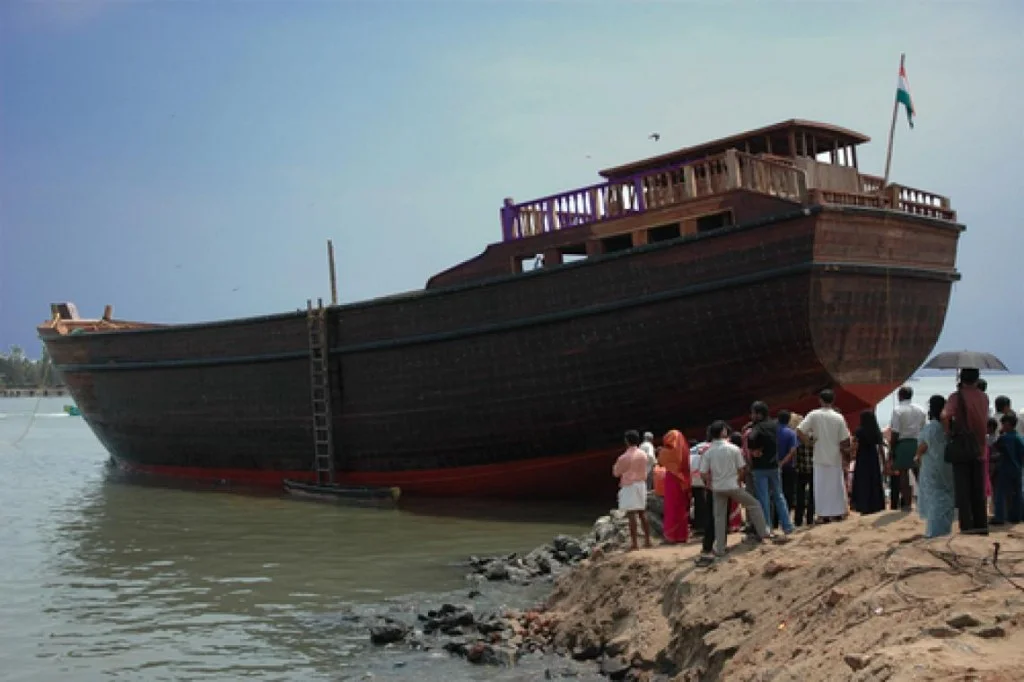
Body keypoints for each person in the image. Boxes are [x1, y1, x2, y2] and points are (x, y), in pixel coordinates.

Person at [699, 420, 771, 556]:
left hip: (717, 487)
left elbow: (703, 473)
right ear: (723, 432)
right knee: (754, 504)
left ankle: (720, 548)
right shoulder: (733, 448)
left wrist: (708, 484)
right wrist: (739, 480)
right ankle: (764, 533)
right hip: (732, 485)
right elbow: (742, 468)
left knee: (719, 517)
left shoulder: (708, 452)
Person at [942, 368, 990, 534]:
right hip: (980, 447)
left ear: (961, 379)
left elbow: (944, 415)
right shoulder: (984, 397)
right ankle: (981, 525)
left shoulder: (956, 397)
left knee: (963, 489)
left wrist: (949, 432)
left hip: (962, 447)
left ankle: (967, 526)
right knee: (979, 489)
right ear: (977, 379)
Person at [797, 389, 852, 522]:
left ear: (820, 400)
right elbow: (845, 440)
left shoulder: (814, 414)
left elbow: (799, 430)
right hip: (834, 456)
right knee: (835, 485)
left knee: (820, 487)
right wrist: (846, 455)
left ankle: (822, 514)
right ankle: (837, 512)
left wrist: (808, 442)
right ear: (833, 401)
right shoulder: (839, 417)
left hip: (819, 455)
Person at [746, 401, 795, 534]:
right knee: (779, 496)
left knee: (763, 498)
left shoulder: (757, 427)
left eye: (753, 413)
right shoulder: (775, 425)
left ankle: (767, 527)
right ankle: (787, 525)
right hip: (774, 465)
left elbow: (751, 437)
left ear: (758, 414)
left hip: (760, 467)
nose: (751, 415)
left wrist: (753, 449)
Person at [915, 395, 955, 537]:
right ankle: (944, 529)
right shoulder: (948, 426)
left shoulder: (931, 427)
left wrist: (917, 456)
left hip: (931, 465)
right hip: (946, 465)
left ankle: (934, 531)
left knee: (934, 498)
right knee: (946, 495)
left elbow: (923, 446)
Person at [889, 386, 927, 511]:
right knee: (919, 473)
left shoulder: (897, 410)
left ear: (900, 395)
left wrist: (892, 447)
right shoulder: (921, 409)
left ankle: (907, 504)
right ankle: (925, 501)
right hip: (917, 442)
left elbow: (895, 431)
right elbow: (923, 428)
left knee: (903, 474)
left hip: (903, 443)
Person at [613, 430, 652, 550]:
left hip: (630, 485)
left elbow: (616, 473)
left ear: (626, 441)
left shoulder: (624, 457)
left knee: (631, 514)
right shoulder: (643, 454)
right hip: (641, 484)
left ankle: (635, 544)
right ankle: (647, 540)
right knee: (642, 512)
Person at [658, 429, 691, 543]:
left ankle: (671, 535)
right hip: (683, 480)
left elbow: (661, 461)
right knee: (681, 507)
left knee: (671, 507)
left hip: (671, 479)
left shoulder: (664, 452)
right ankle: (682, 535)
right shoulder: (684, 450)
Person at [851, 410, 886, 515]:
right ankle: (876, 505)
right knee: (874, 480)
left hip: (862, 457)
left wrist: (850, 455)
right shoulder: (876, 431)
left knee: (862, 482)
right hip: (873, 457)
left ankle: (863, 505)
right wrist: (884, 462)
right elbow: (881, 447)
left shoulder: (859, 430)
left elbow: (855, 445)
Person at [991, 413, 1024, 525]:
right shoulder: (1020, 438)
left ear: (1008, 424)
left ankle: (999, 517)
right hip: (1018, 469)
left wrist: (1000, 434)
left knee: (1001, 493)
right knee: (1017, 494)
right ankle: (1016, 516)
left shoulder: (1005, 438)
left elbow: (996, 447)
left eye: (1003, 424)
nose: (1002, 427)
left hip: (1006, 468)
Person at [791, 414, 815, 527]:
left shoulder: (798, 437)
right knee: (812, 495)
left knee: (800, 496)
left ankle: (798, 520)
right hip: (813, 469)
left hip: (801, 469)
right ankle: (810, 518)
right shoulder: (814, 437)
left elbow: (794, 453)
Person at [777, 409, 798, 521]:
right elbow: (792, 451)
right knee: (788, 491)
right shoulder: (791, 433)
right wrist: (783, 462)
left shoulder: (772, 431)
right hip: (788, 466)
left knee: (776, 492)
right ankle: (786, 516)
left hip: (774, 466)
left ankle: (775, 519)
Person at [689, 442, 708, 534]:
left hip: (693, 483)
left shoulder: (690, 456)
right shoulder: (704, 456)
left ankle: (698, 525)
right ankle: (704, 526)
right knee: (704, 504)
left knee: (697, 504)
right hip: (703, 483)